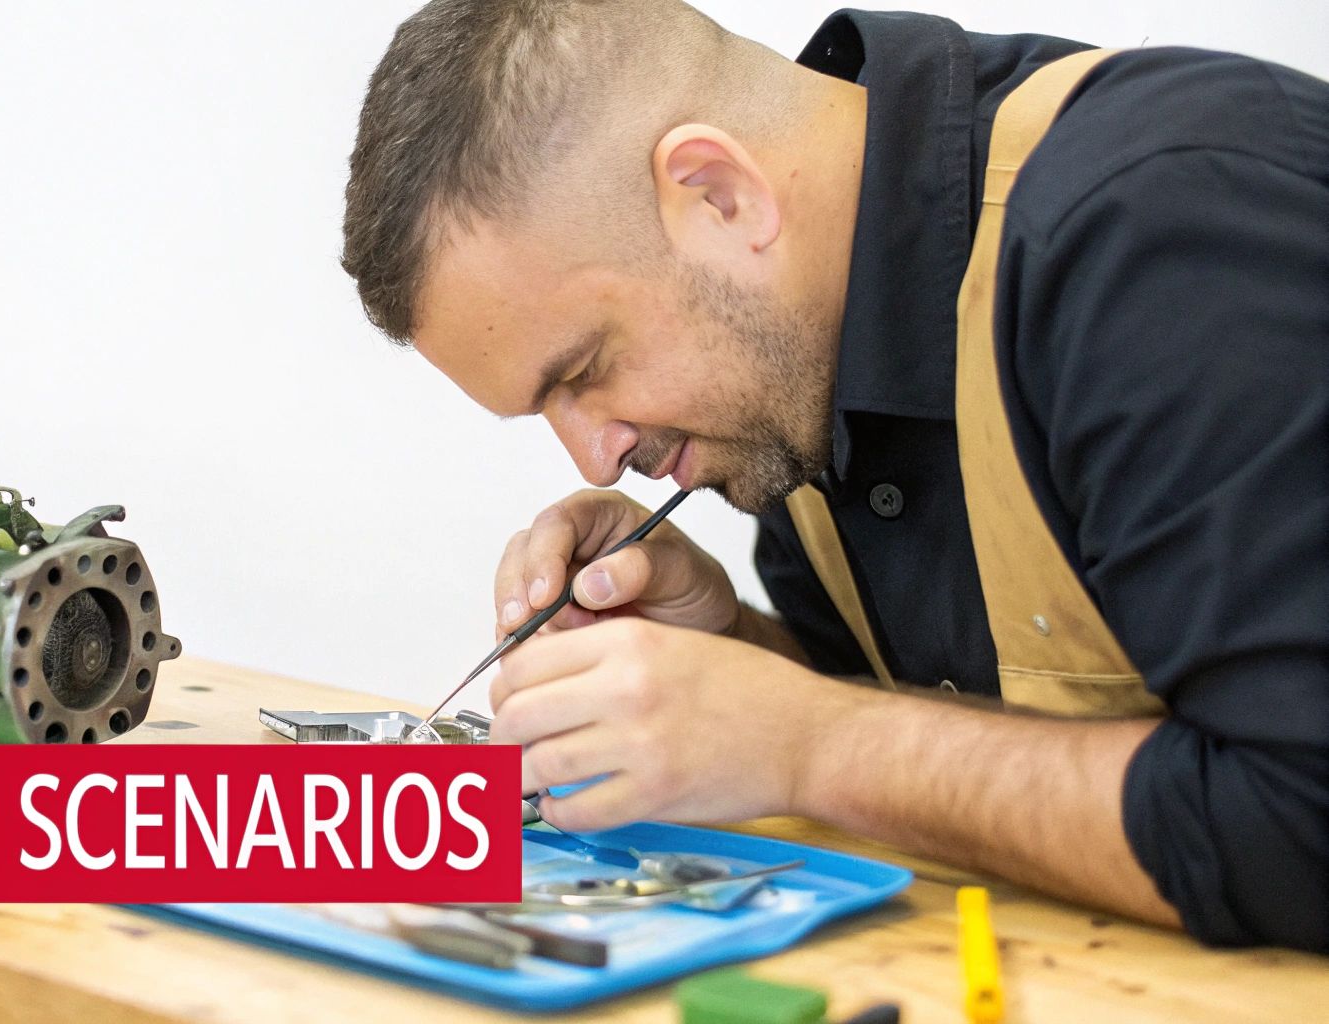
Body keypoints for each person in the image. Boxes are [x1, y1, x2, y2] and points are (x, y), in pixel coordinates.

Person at [340, 0, 1328, 950]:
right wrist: (738, 657)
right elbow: (940, 742)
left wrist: (807, 742)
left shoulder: (1148, 233)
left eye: (587, 370)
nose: (597, 457)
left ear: (718, 195)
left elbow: (1301, 817)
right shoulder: (794, 387)